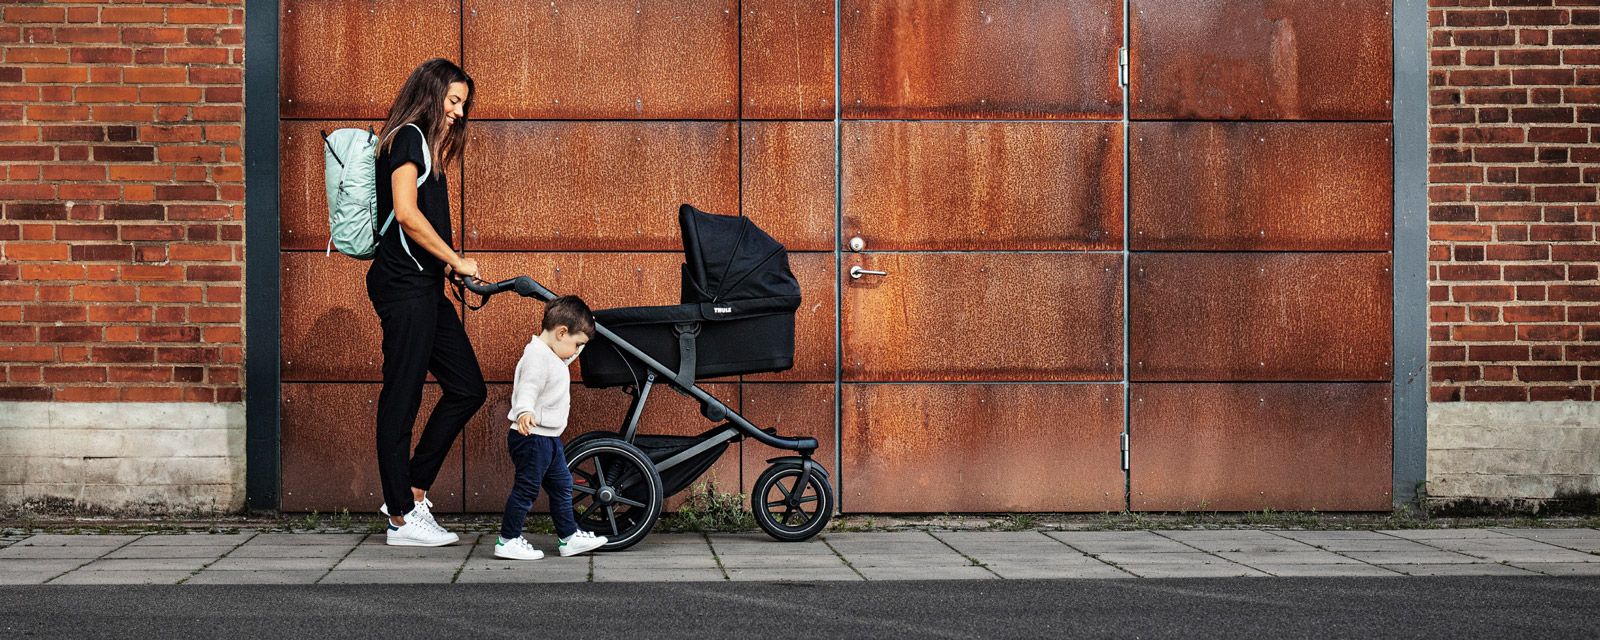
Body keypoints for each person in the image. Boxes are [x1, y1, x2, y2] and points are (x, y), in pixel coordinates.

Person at [368, 58, 486, 547]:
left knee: (467, 387)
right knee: (402, 397)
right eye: (453, 101)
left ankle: (412, 492)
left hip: (425, 288)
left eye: (463, 104)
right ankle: (400, 518)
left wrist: (446, 267)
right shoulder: (409, 138)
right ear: (431, 93)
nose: (458, 112)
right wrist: (455, 259)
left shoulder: (427, 146)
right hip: (403, 287)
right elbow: (406, 214)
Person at [494, 296, 608, 560]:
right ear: (561, 332)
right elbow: (529, 386)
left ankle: (568, 537)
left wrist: (584, 332)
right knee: (526, 489)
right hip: (532, 437)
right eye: (577, 344)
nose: (577, 351)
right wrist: (524, 410)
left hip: (549, 438)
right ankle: (507, 540)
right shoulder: (537, 357)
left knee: (562, 486)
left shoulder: (552, 354)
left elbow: (565, 357)